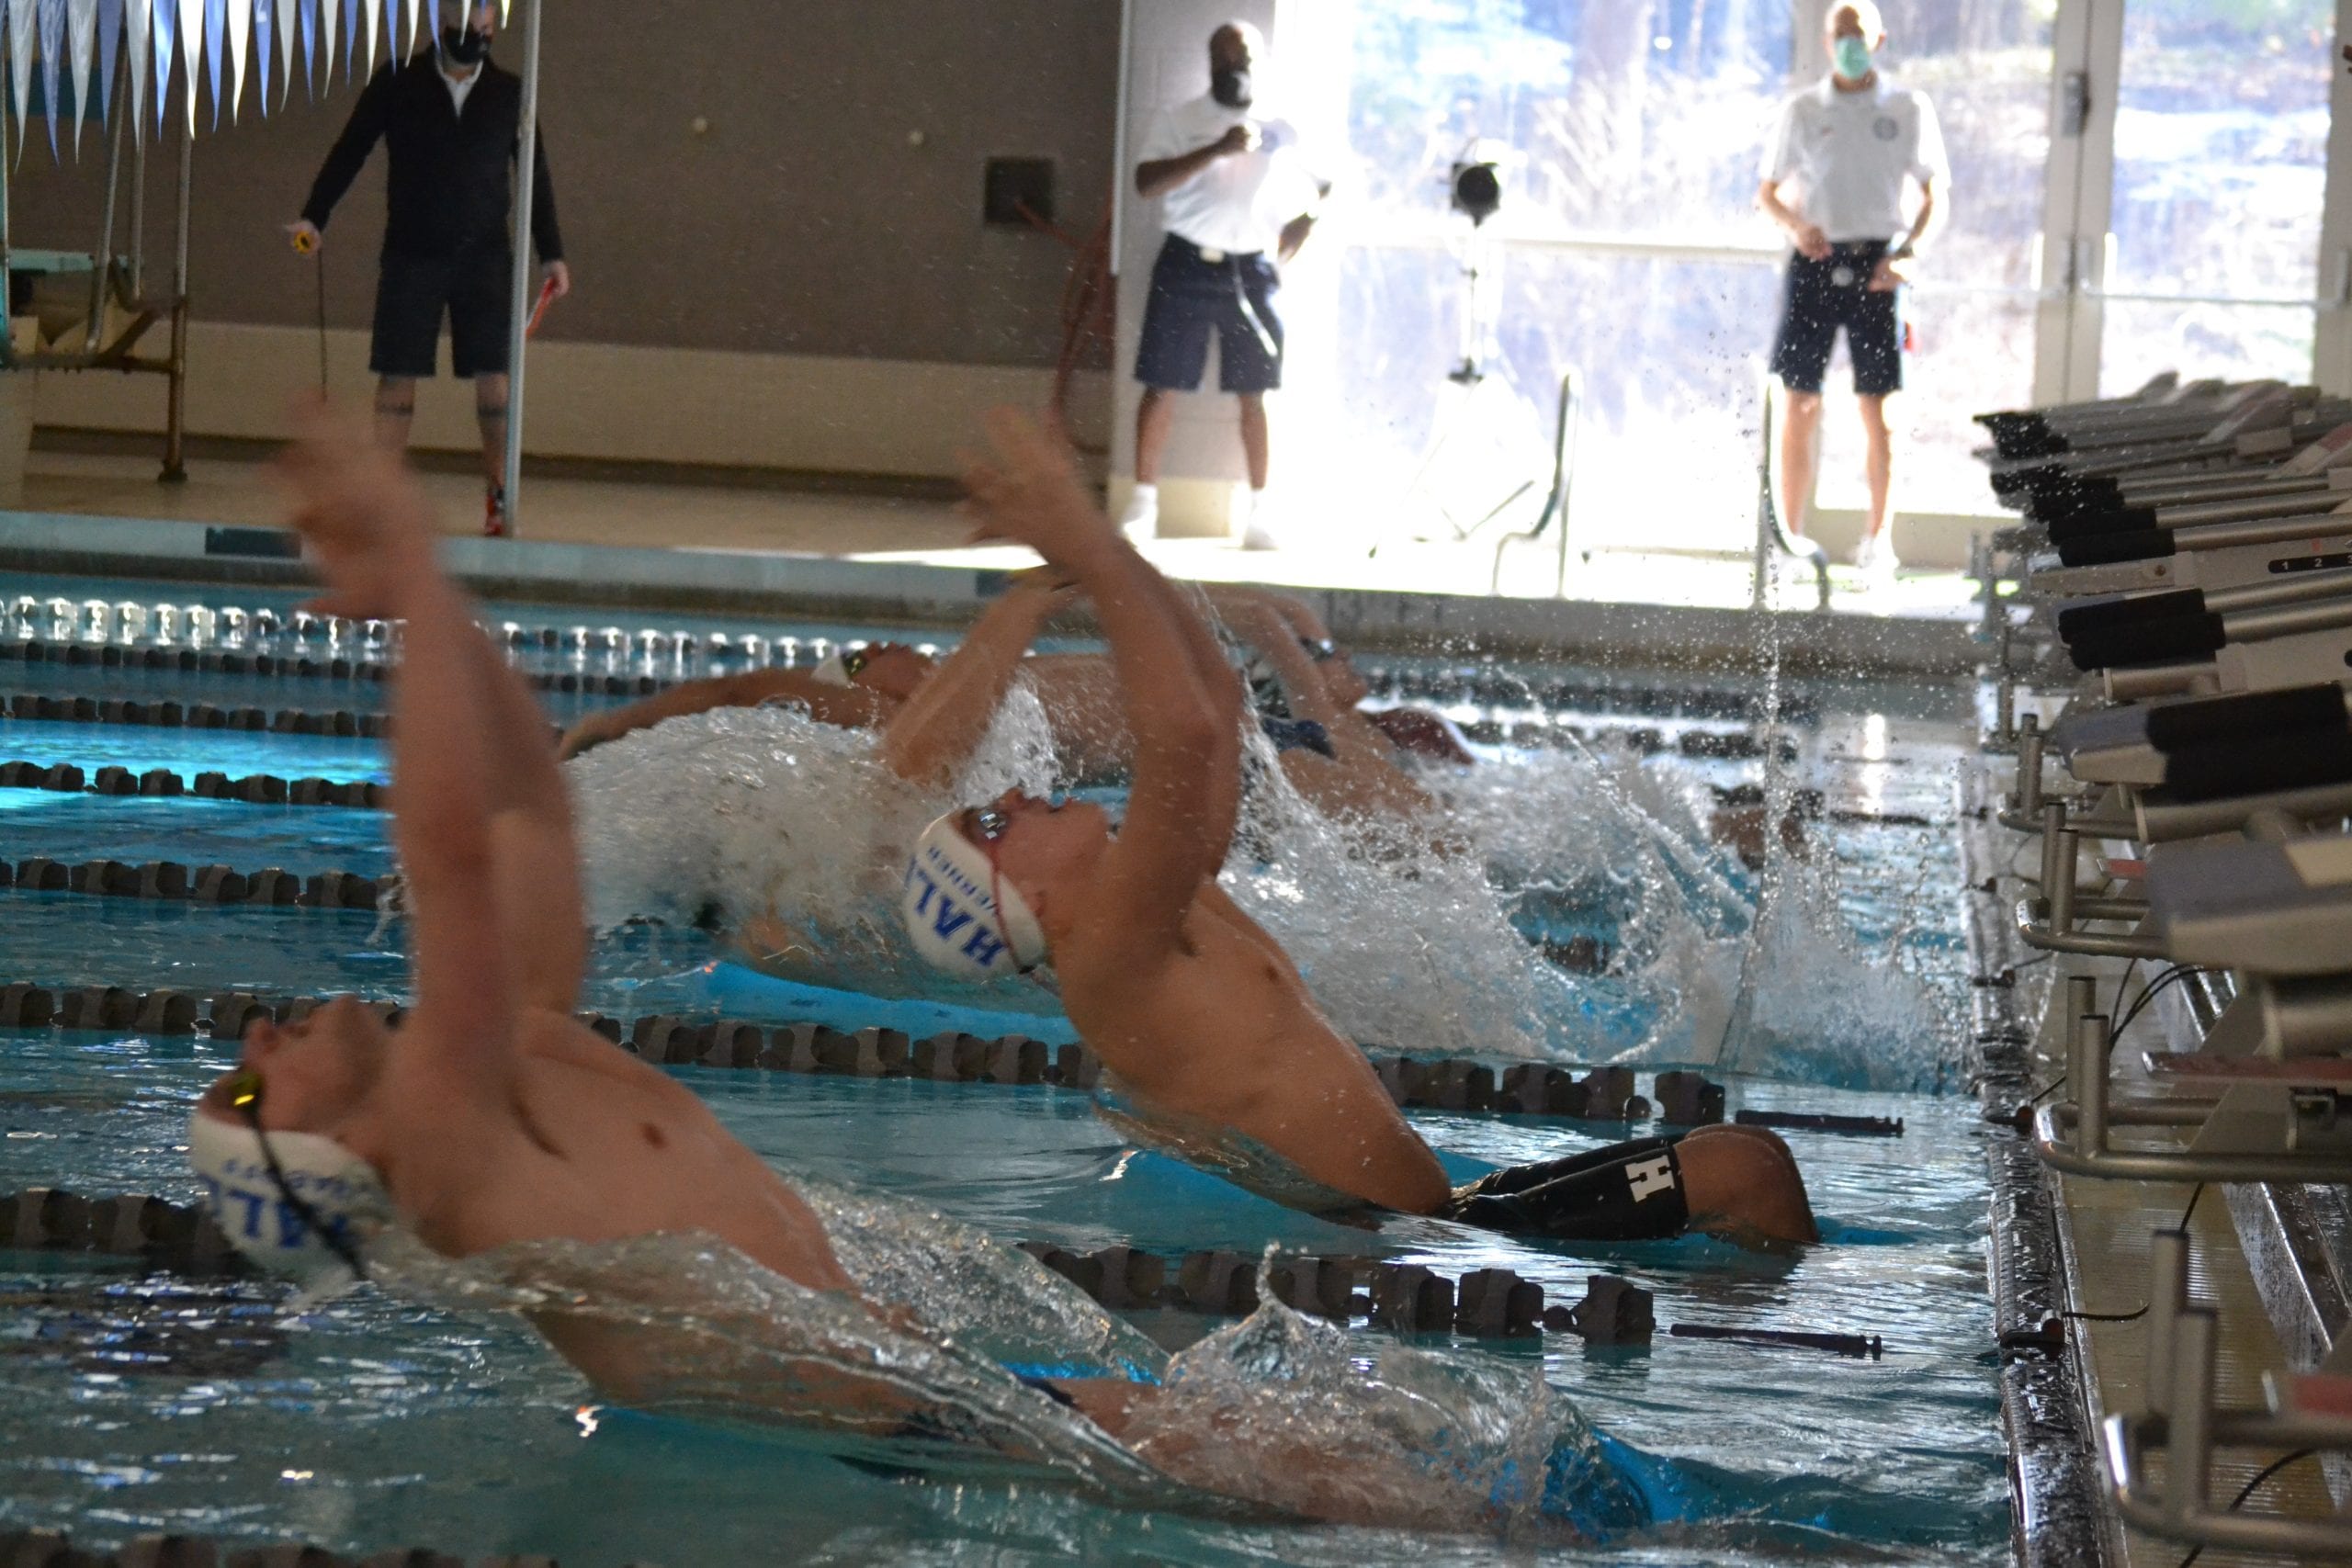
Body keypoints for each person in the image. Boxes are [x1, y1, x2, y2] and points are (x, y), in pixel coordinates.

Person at [186, 405, 1660, 1539]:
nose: (260, 1026)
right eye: (253, 1075)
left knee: (1378, 1483)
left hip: (919, 1389)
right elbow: (447, 856)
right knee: (1404, 1508)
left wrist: (450, 612)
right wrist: (417, 580)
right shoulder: (441, 1152)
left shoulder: (514, 1068)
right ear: (318, 1155)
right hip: (906, 1423)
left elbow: (514, 824)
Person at [900, 412, 1817, 1247]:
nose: (1014, 794)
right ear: (1022, 900)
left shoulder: (1155, 921)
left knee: (1743, 1160)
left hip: (1437, 1221)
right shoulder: (1107, 951)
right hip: (1400, 1242)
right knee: (1746, 1168)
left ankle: (1738, 1327)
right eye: (991, 822)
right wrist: (1095, 554)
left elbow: (1215, 708)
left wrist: (1106, 560)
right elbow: (1179, 732)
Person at [288, 3, 570, 538]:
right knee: (397, 377)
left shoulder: (511, 93)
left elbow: (535, 177)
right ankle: (382, 503)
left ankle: (498, 496)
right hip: (412, 251)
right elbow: (349, 150)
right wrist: (314, 215)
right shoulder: (398, 82)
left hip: (485, 257)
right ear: (440, 20)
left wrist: (551, 253)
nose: (477, 34)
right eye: (468, 23)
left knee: (495, 383)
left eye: (486, 25)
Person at [1757, 0, 1948, 586]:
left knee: (1880, 410)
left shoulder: (1908, 108)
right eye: (1839, 35)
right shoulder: (1805, 109)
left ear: (1879, 40)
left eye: (1857, 35)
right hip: (1816, 261)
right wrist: (1797, 227)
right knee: (1799, 404)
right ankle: (1788, 537)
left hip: (1877, 266)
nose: (1848, 44)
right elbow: (1769, 193)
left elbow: (1935, 194)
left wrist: (1909, 252)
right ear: (1825, 41)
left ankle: (1877, 540)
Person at [1120, 21, 1330, 552]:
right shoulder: (1182, 120)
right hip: (1187, 262)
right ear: (1210, 62)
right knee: (1161, 383)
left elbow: (1320, 188)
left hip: (1253, 268)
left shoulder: (1281, 127)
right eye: (1224, 60)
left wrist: (1301, 230)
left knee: (1254, 390)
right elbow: (1146, 184)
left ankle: (1261, 511)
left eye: (1244, 62)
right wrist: (1215, 150)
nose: (1234, 71)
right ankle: (1143, 505)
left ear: (1260, 65)